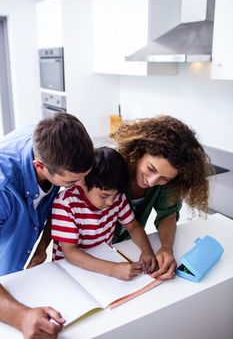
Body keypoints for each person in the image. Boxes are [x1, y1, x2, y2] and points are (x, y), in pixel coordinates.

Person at [0, 113, 94, 338]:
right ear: (39, 165)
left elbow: (57, 203)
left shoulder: (52, 142)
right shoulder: (3, 188)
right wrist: (20, 316)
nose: (81, 187)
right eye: (71, 182)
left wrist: (42, 247)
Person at [111, 115, 211, 280]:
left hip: (128, 250)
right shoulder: (110, 165)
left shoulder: (166, 184)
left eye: (165, 178)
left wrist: (166, 247)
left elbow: (168, 215)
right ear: (139, 151)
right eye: (151, 168)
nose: (152, 181)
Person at [51, 147, 157, 279]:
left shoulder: (116, 198)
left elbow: (133, 226)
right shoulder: (66, 203)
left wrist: (147, 251)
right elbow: (70, 252)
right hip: (68, 270)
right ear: (84, 184)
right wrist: (112, 269)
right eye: (104, 196)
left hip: (102, 264)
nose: (110, 202)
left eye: (116, 195)